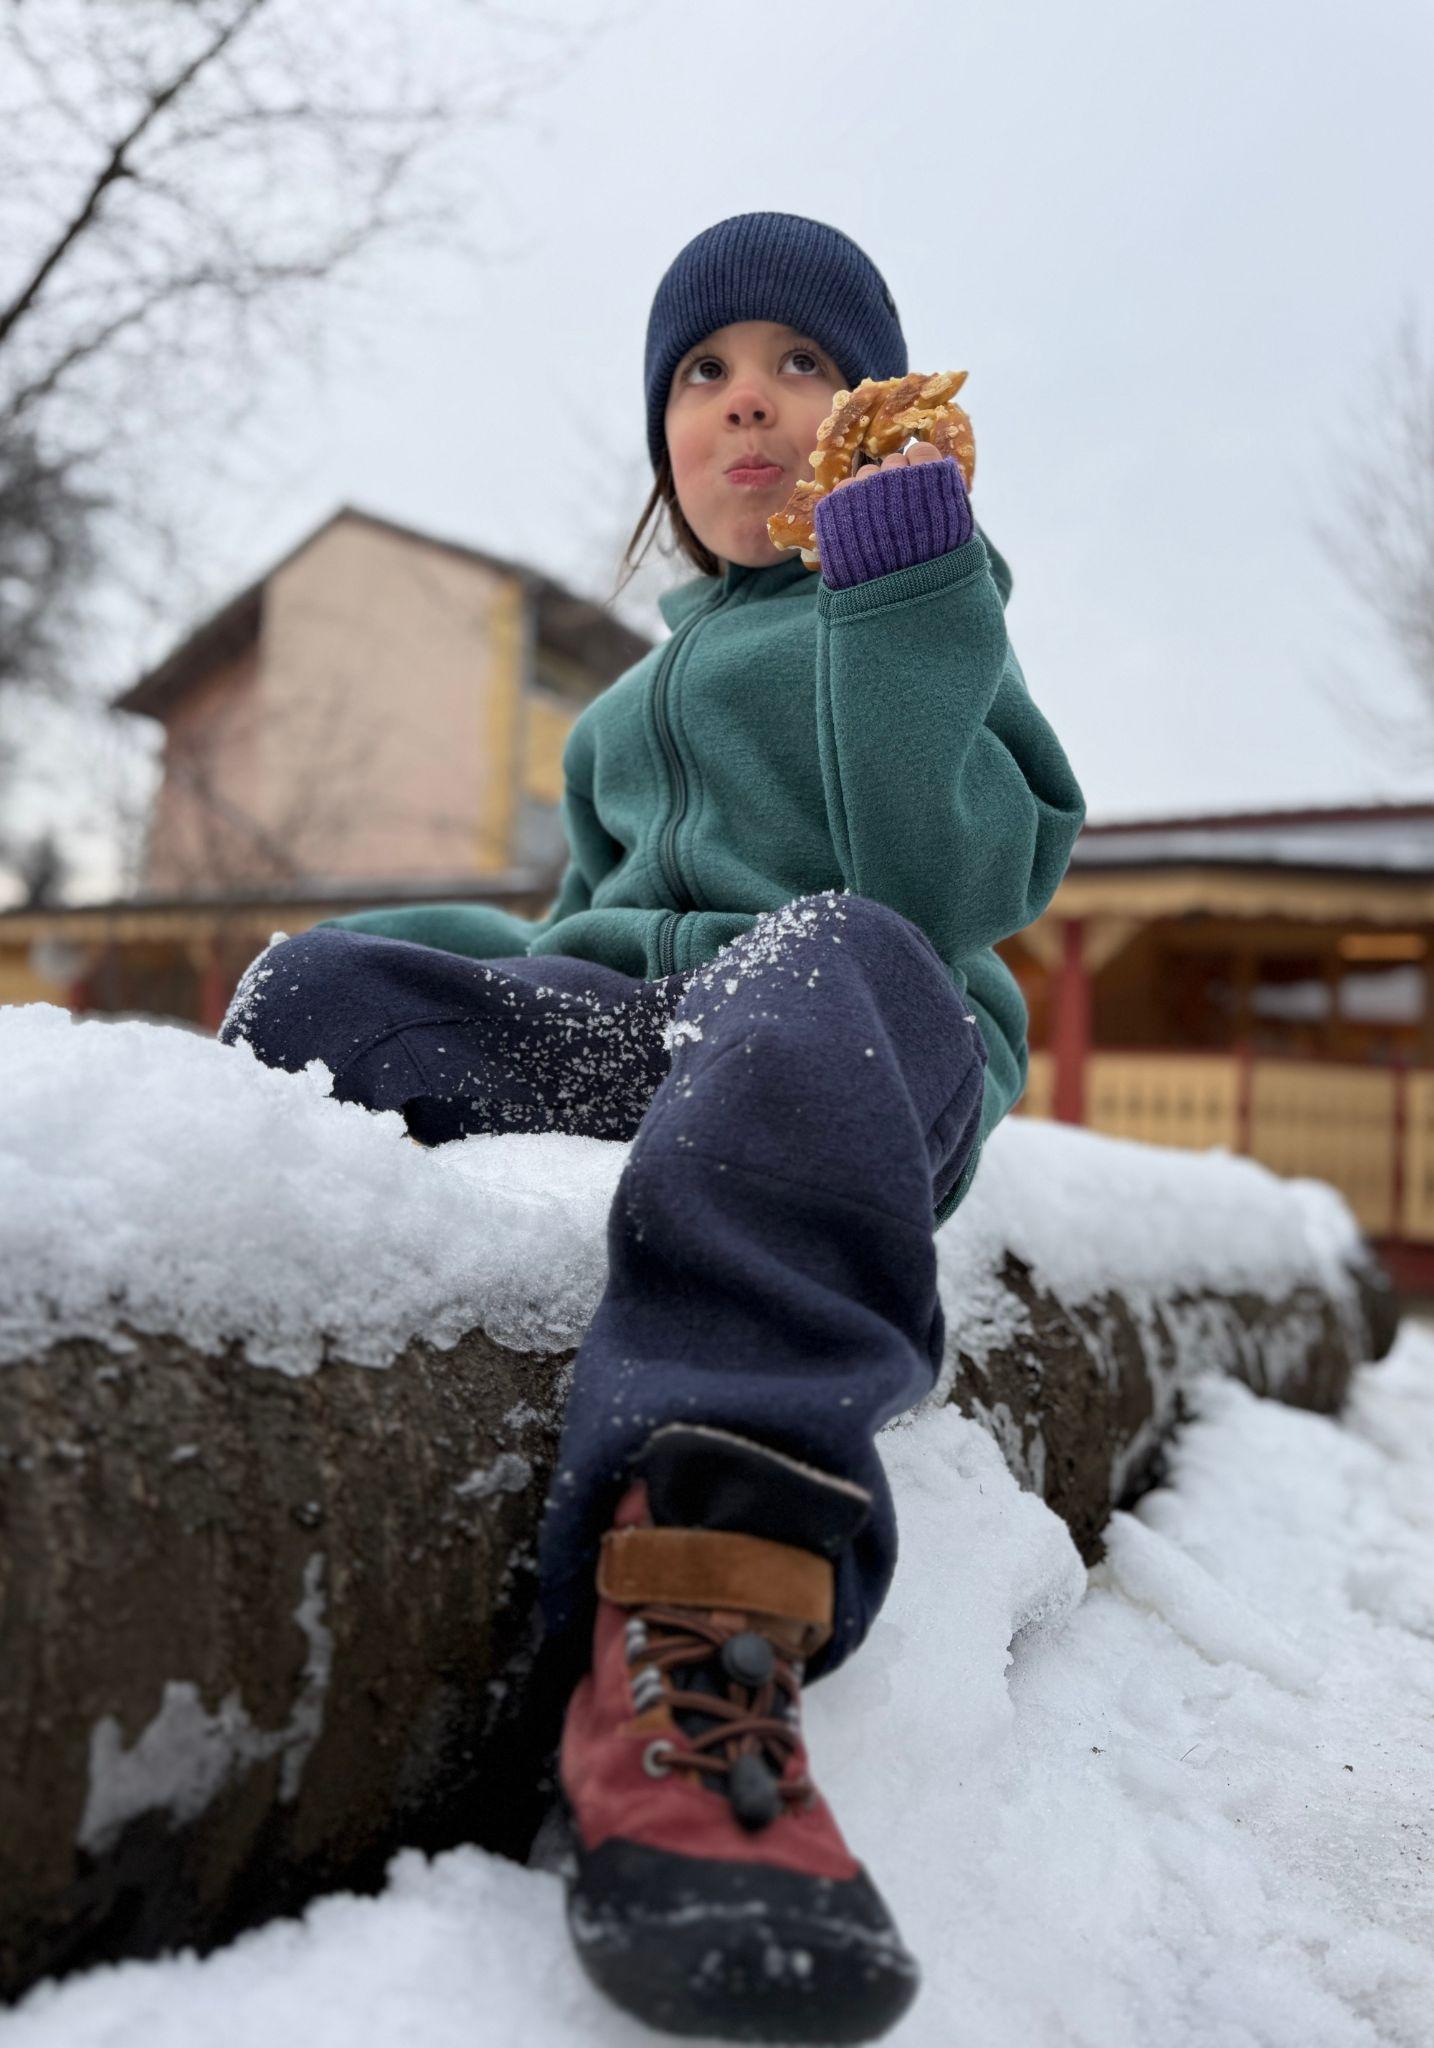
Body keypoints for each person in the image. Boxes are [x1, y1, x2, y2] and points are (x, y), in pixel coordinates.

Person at [220, 211, 1087, 2044]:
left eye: (800, 367)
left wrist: (906, 589)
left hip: (859, 1042)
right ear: (663, 444)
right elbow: (576, 935)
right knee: (319, 984)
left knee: (830, 952)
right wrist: (448, 978)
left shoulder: (933, 614)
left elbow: (938, 890)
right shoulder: (621, 705)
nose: (746, 403)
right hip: (653, 1043)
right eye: (703, 374)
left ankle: (709, 1597)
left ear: (878, 421)